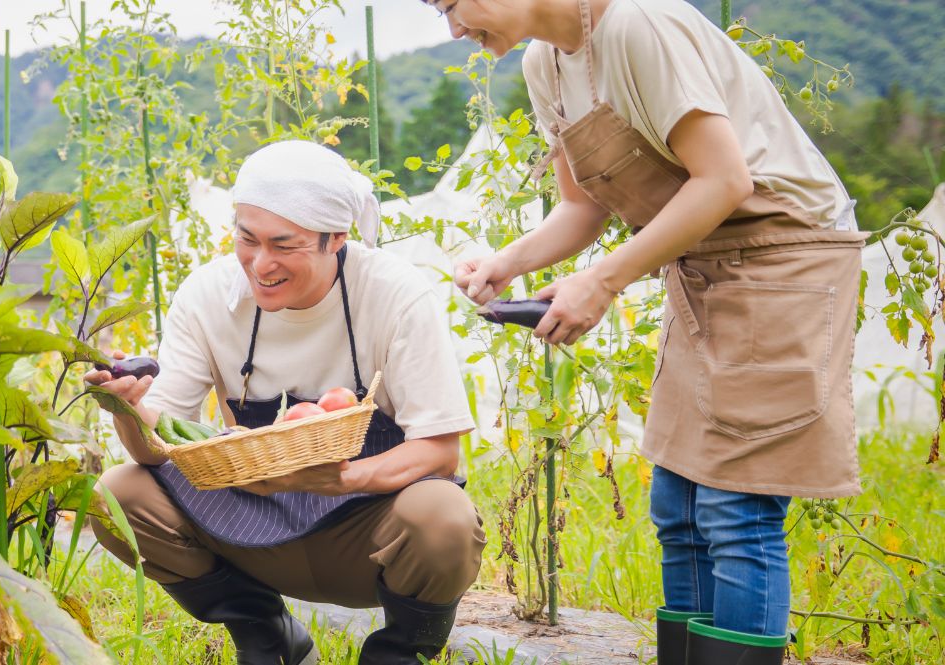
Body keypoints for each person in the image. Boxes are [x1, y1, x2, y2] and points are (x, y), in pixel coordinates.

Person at [434, 0, 867, 662]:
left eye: (453, 3)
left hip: (783, 260)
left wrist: (601, 282)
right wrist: (506, 262)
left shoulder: (637, 25)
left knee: (735, 509)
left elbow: (725, 179)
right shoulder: (545, 62)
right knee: (678, 505)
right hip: (703, 267)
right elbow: (583, 209)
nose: (454, 29)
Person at [84, 140, 486, 664]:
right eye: (246, 239)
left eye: (283, 244)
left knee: (443, 516)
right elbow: (157, 449)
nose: (260, 263)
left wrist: (345, 478)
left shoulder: (394, 294)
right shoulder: (207, 296)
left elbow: (438, 451)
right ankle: (267, 636)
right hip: (249, 523)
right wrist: (129, 411)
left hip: (361, 532)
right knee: (118, 494)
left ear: (335, 238)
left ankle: (397, 653)